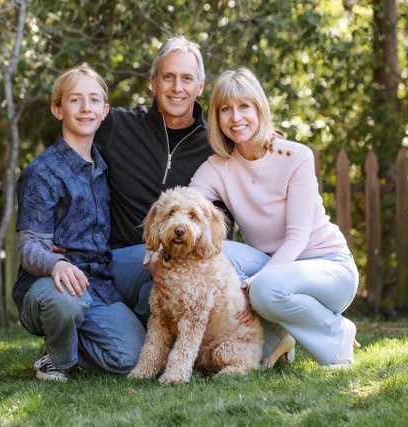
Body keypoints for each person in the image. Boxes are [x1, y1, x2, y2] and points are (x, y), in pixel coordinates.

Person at [93, 35, 291, 365]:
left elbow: (255, 169)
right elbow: (74, 158)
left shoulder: (215, 142)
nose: (177, 87)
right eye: (168, 77)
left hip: (189, 258)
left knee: (229, 270)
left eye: (187, 78)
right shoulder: (116, 125)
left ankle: (229, 346)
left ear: (200, 86)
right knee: (164, 287)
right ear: (153, 83)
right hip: (127, 254)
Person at [189, 67, 360, 368]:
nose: (236, 117)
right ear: (216, 117)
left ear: (259, 108)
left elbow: (297, 238)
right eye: (226, 109)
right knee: (212, 251)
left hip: (328, 267)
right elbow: (185, 207)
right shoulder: (217, 166)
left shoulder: (296, 156)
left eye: (244, 106)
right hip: (273, 267)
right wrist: (156, 251)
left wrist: (258, 282)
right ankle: (279, 332)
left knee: (266, 290)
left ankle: (337, 332)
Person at [13, 64, 145, 381]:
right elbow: (29, 247)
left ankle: (76, 343)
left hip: (98, 281)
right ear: (58, 109)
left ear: (105, 110)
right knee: (65, 301)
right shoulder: (43, 172)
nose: (86, 108)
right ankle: (57, 360)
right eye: (75, 100)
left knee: (133, 360)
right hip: (50, 285)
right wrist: (57, 264)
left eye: (94, 100)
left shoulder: (103, 165)